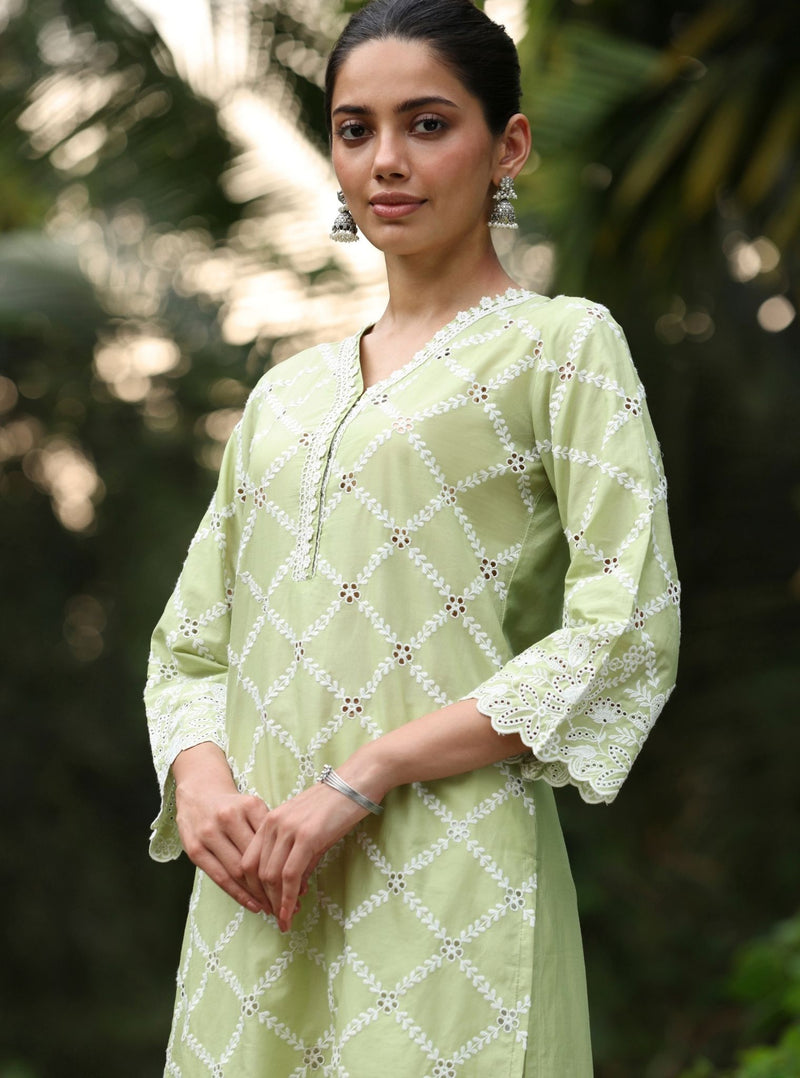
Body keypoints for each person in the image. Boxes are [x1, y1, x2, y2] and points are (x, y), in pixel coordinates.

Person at [144, 0, 680, 1074]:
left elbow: (624, 623)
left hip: (447, 871)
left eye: (427, 124)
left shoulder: (561, 346)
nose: (385, 160)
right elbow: (189, 647)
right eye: (356, 129)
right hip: (261, 880)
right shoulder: (283, 397)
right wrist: (199, 783)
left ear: (507, 146)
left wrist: (368, 773)